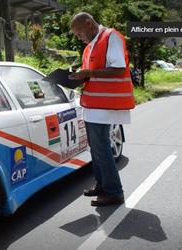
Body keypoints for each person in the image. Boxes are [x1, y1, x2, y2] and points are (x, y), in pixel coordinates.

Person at [68, 12, 135, 206]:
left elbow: (119, 68)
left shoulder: (111, 36)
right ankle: (102, 185)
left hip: (105, 105)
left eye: (79, 33)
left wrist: (88, 73)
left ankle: (114, 192)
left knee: (101, 148)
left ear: (89, 24)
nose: (79, 37)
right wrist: (78, 77)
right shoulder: (91, 46)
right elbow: (94, 74)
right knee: (95, 148)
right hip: (93, 105)